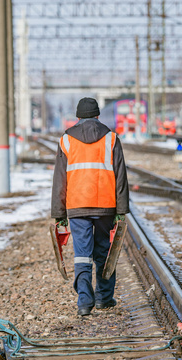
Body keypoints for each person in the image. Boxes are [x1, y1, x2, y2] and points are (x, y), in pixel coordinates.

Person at [51, 97, 130, 316]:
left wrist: (59, 213)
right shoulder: (111, 138)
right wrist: (121, 211)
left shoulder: (66, 140)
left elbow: (59, 180)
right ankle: (104, 298)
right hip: (106, 205)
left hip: (77, 206)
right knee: (104, 252)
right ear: (97, 115)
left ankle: (85, 303)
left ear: (77, 117)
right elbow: (121, 177)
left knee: (82, 254)